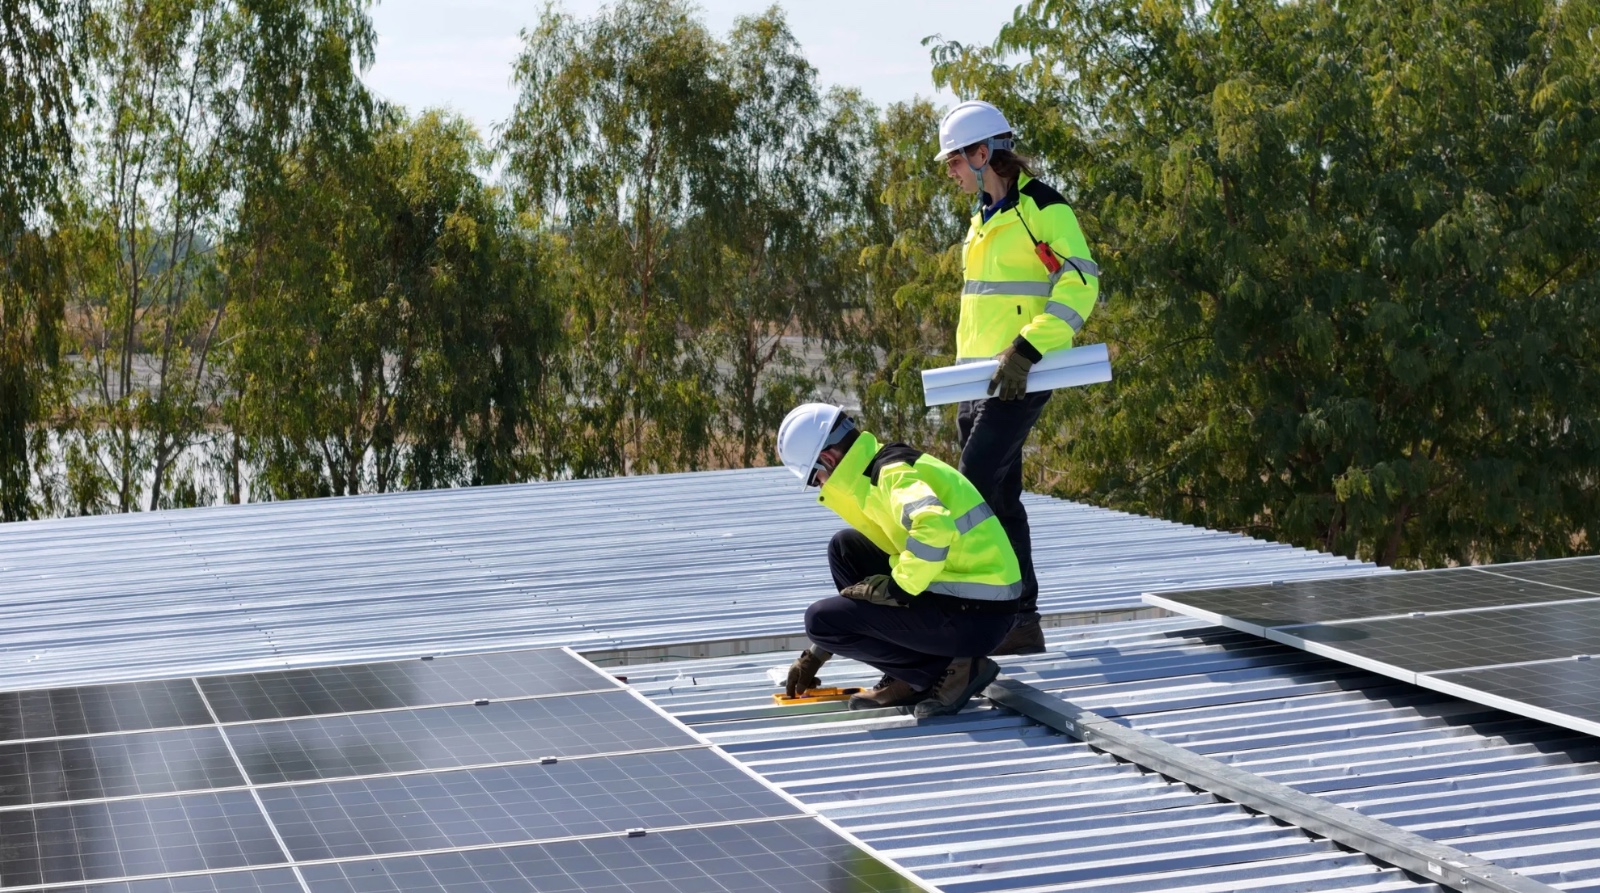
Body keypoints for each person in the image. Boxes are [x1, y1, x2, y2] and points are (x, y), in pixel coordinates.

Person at [935, 99, 1100, 654]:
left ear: (984, 154)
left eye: (956, 160)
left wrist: (1028, 350)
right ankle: (1022, 624)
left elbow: (1080, 287)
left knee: (971, 487)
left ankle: (963, 616)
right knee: (1000, 498)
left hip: (1019, 377)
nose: (952, 172)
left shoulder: (1044, 209)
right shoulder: (982, 217)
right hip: (975, 381)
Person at [775, 402, 1022, 719]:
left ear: (828, 459)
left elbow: (934, 526)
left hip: (978, 613)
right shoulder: (875, 468)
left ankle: (945, 671)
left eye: (814, 478)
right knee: (845, 548)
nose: (819, 486)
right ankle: (912, 673)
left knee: (820, 620)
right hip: (966, 594)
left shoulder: (890, 475)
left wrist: (899, 588)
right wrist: (818, 652)